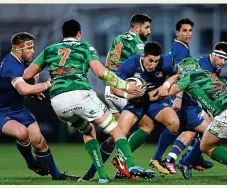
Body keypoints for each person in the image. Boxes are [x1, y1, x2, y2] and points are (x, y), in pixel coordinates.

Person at [23, 19, 153, 184]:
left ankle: (102, 175)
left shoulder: (49, 49)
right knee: (115, 129)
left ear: (63, 35)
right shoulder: (84, 46)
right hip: (81, 94)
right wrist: (126, 86)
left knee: (87, 130)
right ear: (79, 34)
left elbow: (27, 74)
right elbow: (101, 73)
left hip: (58, 102)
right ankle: (131, 165)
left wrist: (36, 86)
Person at [150, 57, 227, 181]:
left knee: (206, 146)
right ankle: (186, 162)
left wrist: (158, 88)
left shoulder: (188, 76)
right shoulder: (210, 74)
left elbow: (168, 92)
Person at [81, 14, 154, 181]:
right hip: (122, 90)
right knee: (147, 125)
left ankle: (91, 174)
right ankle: (122, 162)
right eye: (147, 27)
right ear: (136, 28)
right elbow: (145, 65)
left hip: (110, 89)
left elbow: (107, 62)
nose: (149, 31)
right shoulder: (138, 43)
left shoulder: (118, 39)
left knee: (117, 135)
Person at [0, 32, 78, 180]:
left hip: (17, 108)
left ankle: (57, 176)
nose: (33, 51)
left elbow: (21, 85)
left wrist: (32, 90)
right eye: (29, 48)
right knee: (22, 133)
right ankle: (31, 162)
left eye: (33, 47)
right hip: (2, 111)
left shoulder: (19, 62)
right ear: (18, 49)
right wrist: (49, 83)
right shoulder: (11, 66)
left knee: (39, 141)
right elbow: (23, 89)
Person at [108, 41, 181, 178]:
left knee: (174, 124)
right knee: (121, 133)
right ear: (143, 56)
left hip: (155, 102)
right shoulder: (131, 64)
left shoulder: (166, 62)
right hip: (136, 101)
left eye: (156, 61)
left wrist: (166, 84)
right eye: (150, 60)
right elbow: (113, 86)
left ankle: (156, 158)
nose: (153, 65)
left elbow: (176, 74)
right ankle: (121, 164)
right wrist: (127, 95)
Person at [150, 18, 213, 174]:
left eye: (190, 30)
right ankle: (182, 159)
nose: (188, 33)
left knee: (183, 127)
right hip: (180, 96)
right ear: (177, 32)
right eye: (184, 30)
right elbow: (180, 75)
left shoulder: (181, 47)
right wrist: (178, 97)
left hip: (182, 96)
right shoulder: (180, 49)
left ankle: (187, 158)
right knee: (204, 130)